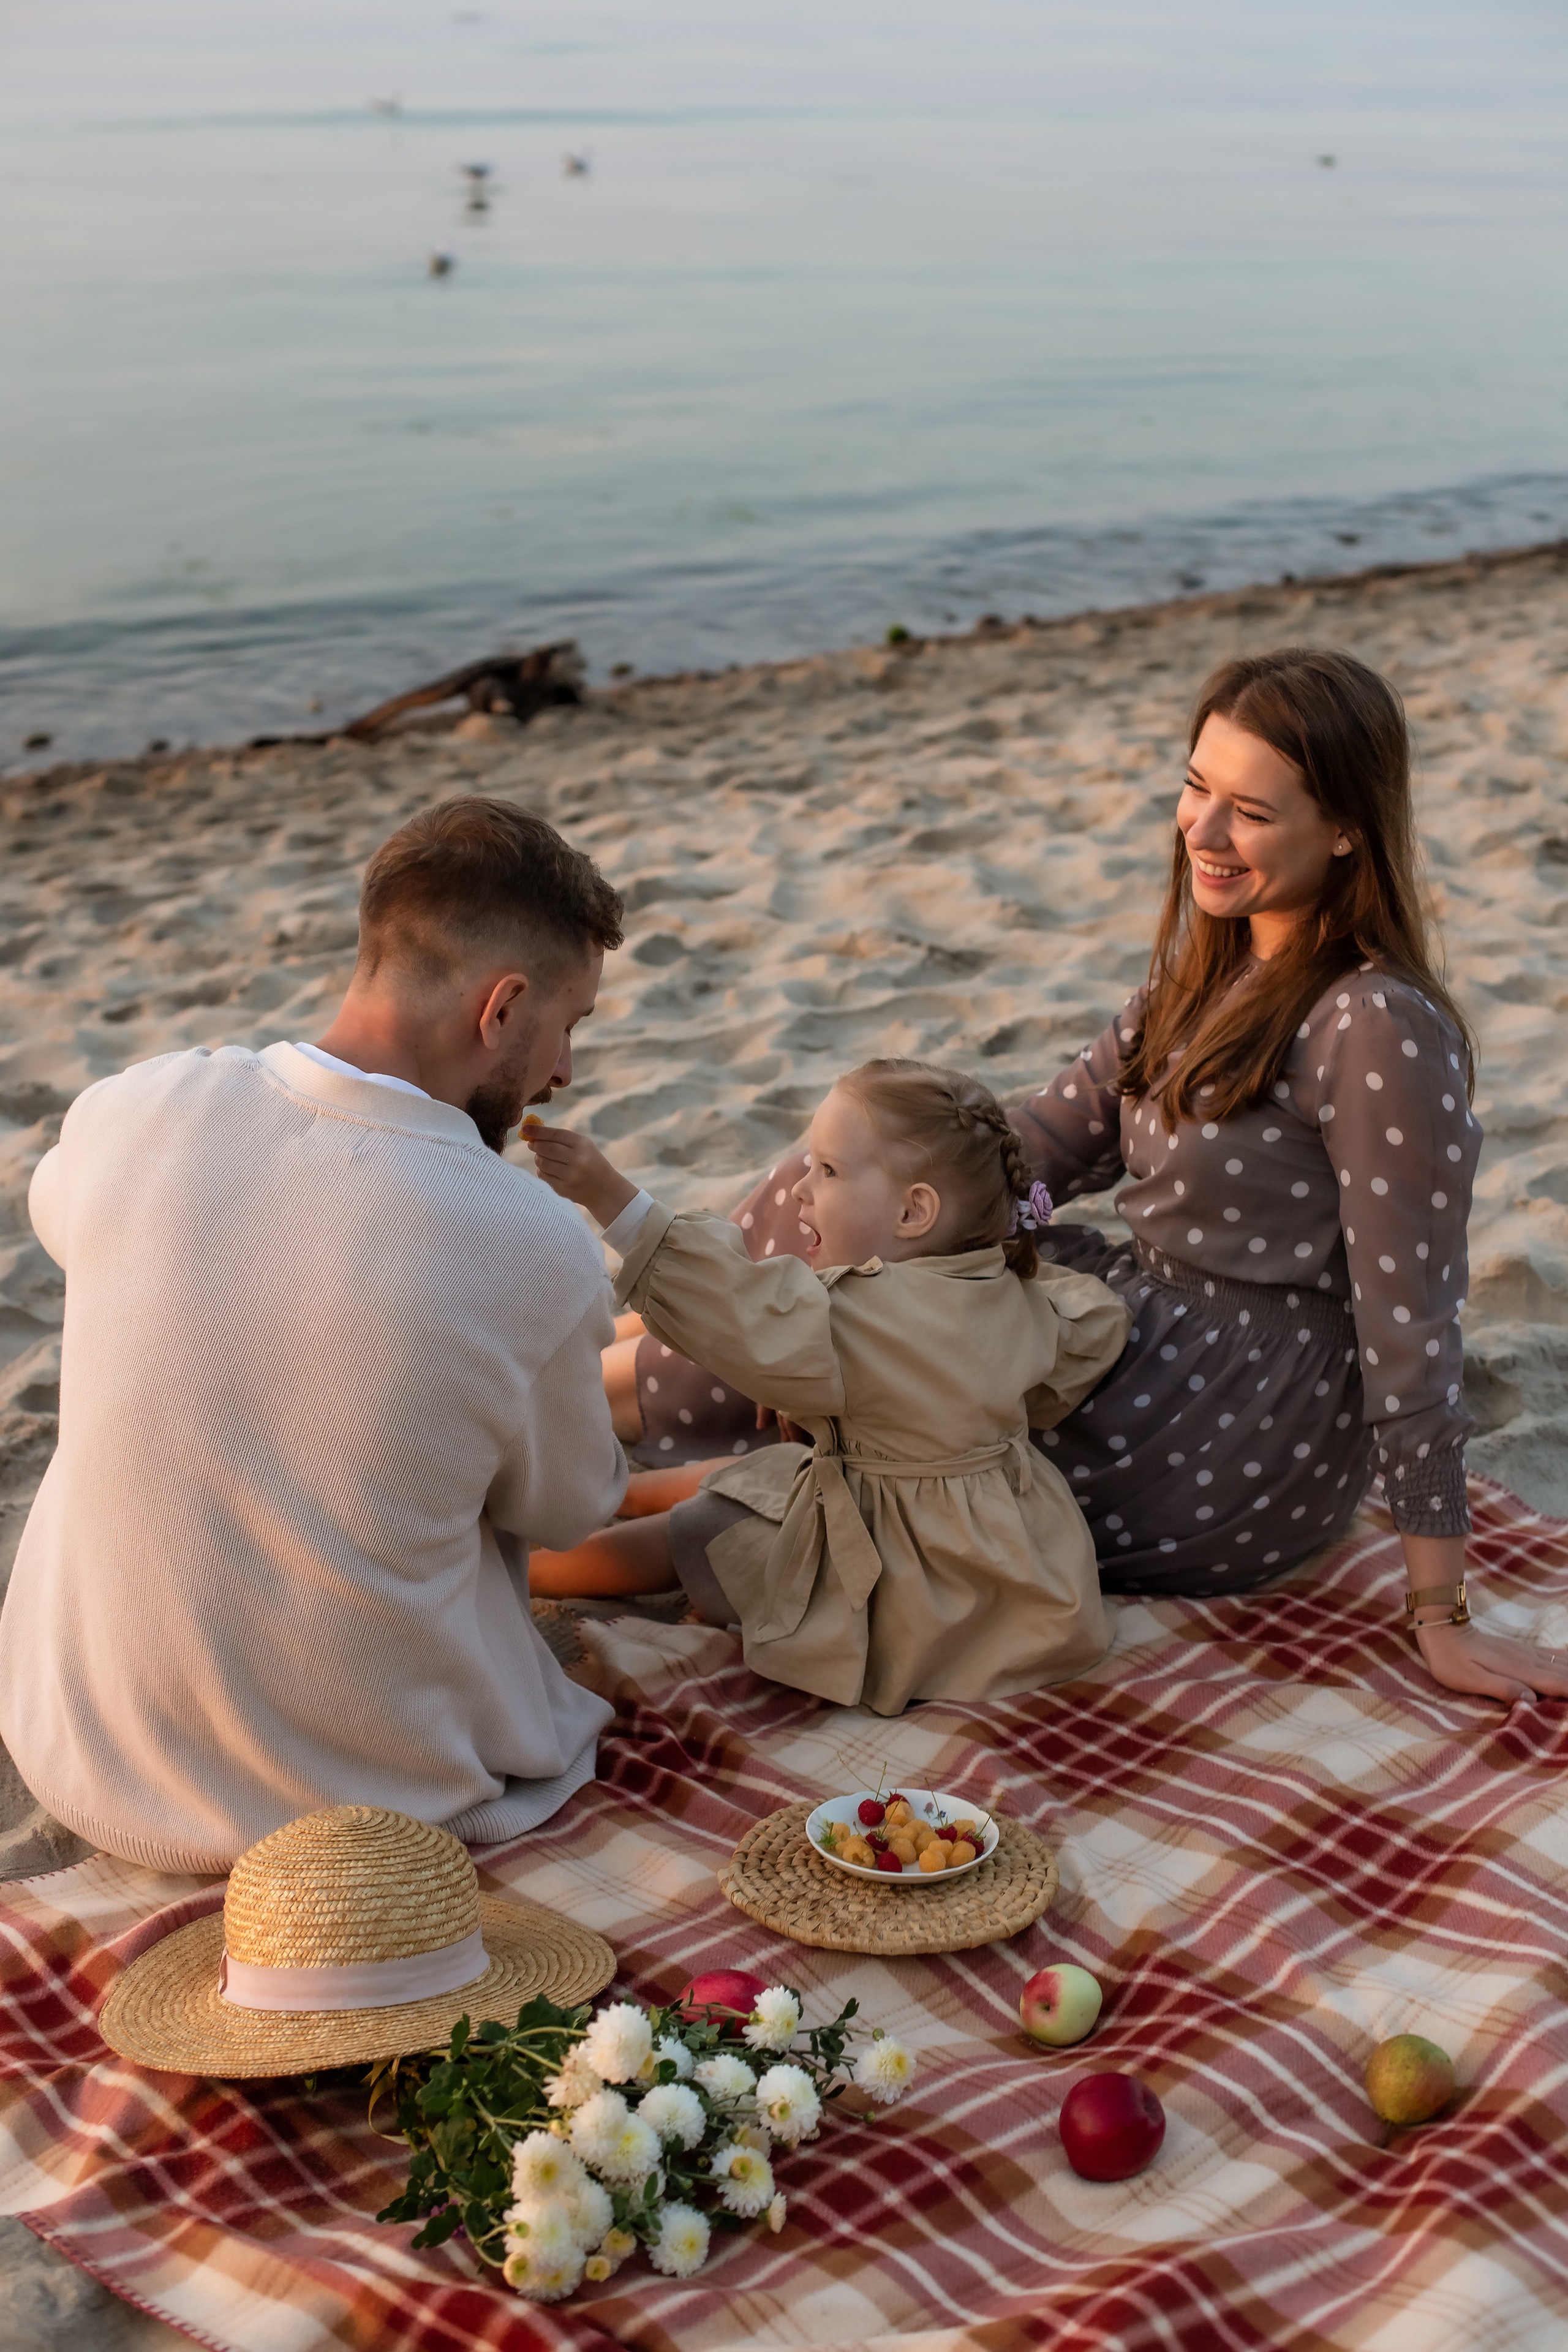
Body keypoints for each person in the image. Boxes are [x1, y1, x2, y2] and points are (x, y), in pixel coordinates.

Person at [612, 649, 1568, 1711]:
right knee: (851, 1182)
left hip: (1235, 1420)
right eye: (1197, 788)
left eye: (1250, 811)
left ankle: (591, 1400)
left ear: (1346, 828)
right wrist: (947, 1242)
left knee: (882, 1334)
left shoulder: (1377, 1025)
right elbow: (1045, 1154)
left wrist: (1440, 1610)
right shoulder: (1210, 966)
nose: (1201, 833)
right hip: (1136, 1318)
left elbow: (1412, 1324)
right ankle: (602, 1374)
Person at [0, 797, 630, 1871]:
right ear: (503, 1008)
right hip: (369, 1799)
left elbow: (65, 1221)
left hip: (86, 1754)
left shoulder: (131, 1107)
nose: (562, 1070)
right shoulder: (534, 1240)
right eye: (569, 1027)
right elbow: (569, 1509)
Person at [527, 1060, 1129, 1716]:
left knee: (706, 1528)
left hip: (899, 1583)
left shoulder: (850, 1317)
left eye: (829, 1172)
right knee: (767, 1475)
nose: (800, 1192)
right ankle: (621, 1496)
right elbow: (1093, 1326)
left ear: (914, 1210)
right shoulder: (1015, 1298)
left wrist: (612, 1196)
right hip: (1014, 1572)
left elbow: (731, 1304)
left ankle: (531, 1569)